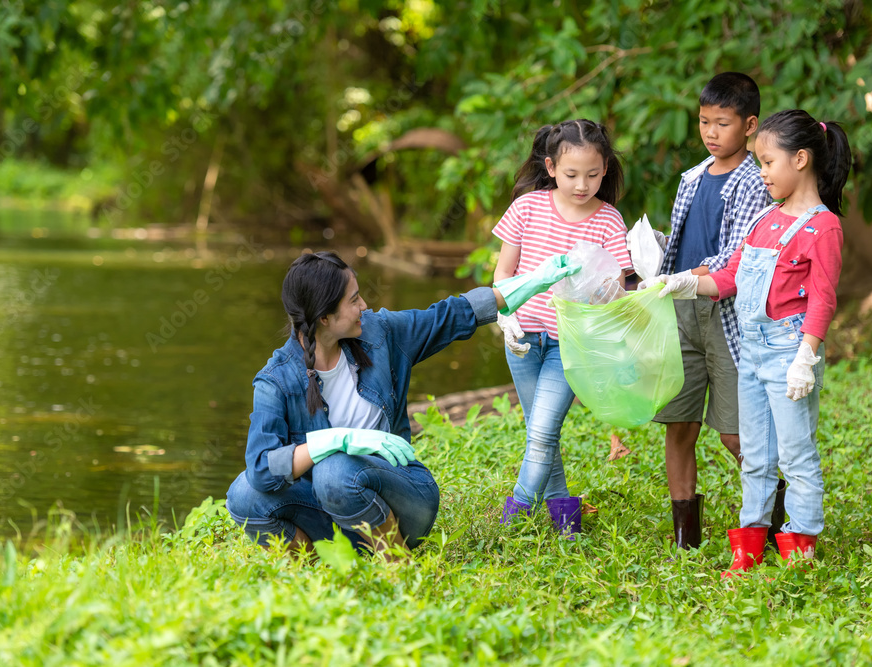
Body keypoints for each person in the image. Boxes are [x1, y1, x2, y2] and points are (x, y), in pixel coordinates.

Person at [225, 250, 579, 558]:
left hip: (403, 500)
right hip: (331, 512)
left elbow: (455, 313)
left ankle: (396, 562)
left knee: (335, 473)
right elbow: (261, 468)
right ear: (324, 318)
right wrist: (337, 440)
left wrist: (535, 280)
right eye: (353, 300)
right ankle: (317, 563)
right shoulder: (276, 380)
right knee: (242, 495)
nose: (363, 305)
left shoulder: (382, 334)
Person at [643, 110, 851, 575]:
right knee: (755, 455)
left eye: (767, 162)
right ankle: (749, 549)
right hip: (753, 353)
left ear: (800, 160)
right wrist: (679, 284)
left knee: (796, 454)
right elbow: (730, 277)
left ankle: (801, 546)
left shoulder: (824, 227)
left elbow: (822, 299)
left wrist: (806, 356)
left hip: (788, 351)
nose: (761, 173)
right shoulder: (765, 219)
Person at [493, 119, 632, 538]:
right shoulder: (527, 208)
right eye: (571, 174)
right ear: (551, 167)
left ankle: (511, 519)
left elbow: (616, 291)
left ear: (605, 168)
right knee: (542, 430)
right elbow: (503, 274)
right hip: (521, 340)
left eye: (592, 174)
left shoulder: (608, 220)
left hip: (569, 344)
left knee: (541, 431)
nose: (582, 184)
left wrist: (610, 291)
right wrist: (506, 316)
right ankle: (565, 517)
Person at [653, 72, 773, 552]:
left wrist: (694, 275)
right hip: (682, 312)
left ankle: (770, 515)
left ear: (749, 125)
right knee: (678, 425)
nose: (710, 132)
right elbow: (681, 245)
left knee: (733, 432)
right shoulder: (692, 177)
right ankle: (686, 536)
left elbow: (738, 255)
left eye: (721, 123)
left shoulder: (754, 181)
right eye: (704, 121)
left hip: (725, 317)